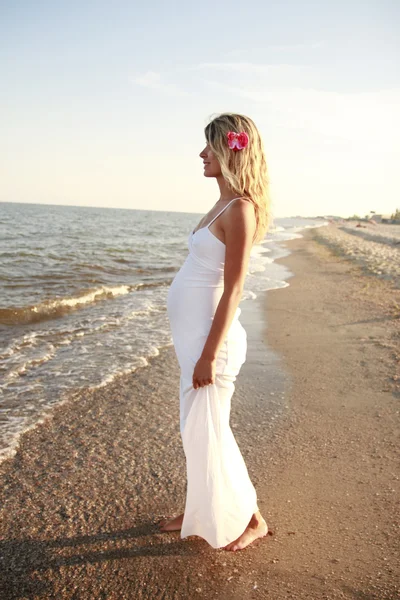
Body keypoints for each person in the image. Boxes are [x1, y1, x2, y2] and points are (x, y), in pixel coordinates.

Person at [161, 112, 272, 551]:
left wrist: (208, 354)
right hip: (195, 340)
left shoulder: (241, 209)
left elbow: (235, 288)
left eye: (210, 146)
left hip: (214, 343)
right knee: (197, 429)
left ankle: (254, 518)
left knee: (210, 430)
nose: (202, 154)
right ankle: (197, 508)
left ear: (231, 150)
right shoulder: (221, 204)